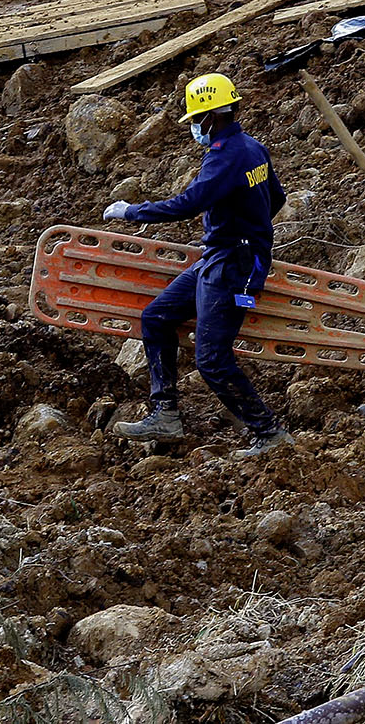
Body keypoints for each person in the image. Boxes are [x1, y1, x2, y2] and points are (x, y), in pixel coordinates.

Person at [102, 73, 292, 459]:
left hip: (232, 266)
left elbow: (189, 203)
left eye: (193, 120)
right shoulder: (253, 148)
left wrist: (132, 211)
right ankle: (165, 413)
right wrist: (243, 227)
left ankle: (268, 432)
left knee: (211, 358)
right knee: (156, 318)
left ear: (209, 117)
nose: (192, 127)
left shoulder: (225, 157)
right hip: (222, 255)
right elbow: (275, 198)